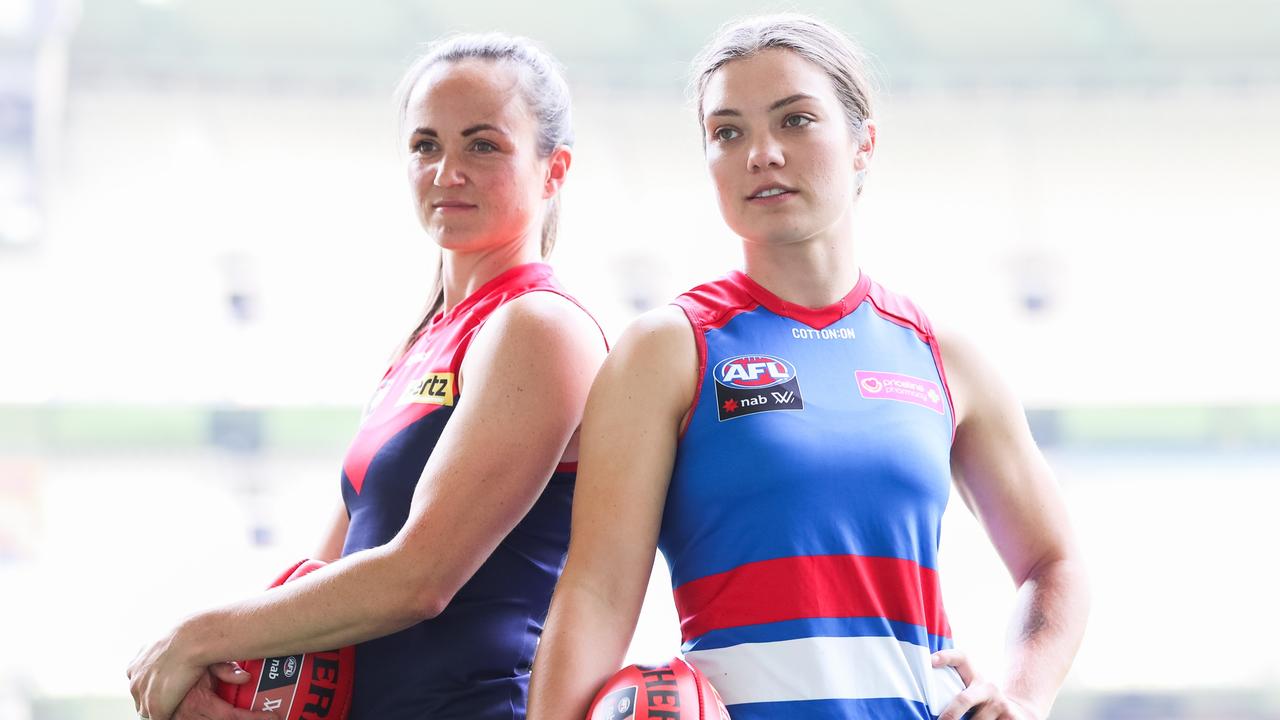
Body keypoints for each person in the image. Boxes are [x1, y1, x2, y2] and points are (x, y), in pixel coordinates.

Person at [526, 14, 1089, 720]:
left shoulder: (942, 355)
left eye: (794, 121)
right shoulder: (668, 349)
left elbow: (1055, 563)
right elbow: (598, 594)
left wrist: (1022, 694)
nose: (761, 152)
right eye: (727, 132)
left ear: (863, 144)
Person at [127, 33, 607, 720]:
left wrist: (194, 638)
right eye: (425, 145)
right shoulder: (427, 337)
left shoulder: (540, 327)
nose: (447, 171)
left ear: (553, 170)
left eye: (483, 144)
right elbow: (322, 577)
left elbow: (420, 579)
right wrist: (219, 688)